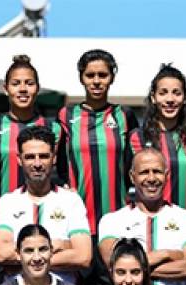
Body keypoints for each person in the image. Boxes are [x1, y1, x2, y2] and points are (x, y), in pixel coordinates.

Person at [0, 55, 65, 285]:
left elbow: (63, 173)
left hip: (44, 233)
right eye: (16, 83)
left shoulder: (54, 129)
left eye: (29, 83)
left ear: (37, 88)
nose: (23, 89)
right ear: (6, 88)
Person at [98, 148, 186, 285]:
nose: (151, 178)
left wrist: (133, 268)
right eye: (144, 172)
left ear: (167, 176)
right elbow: (114, 264)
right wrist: (167, 254)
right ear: (132, 177)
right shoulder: (111, 221)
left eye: (157, 172)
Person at [0, 126, 92, 285]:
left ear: (54, 158)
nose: (37, 163)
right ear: (19, 159)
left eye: (43, 156)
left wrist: (24, 256)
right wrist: (60, 245)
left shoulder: (71, 200)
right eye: (30, 157)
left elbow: (83, 256)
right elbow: (2, 253)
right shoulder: (7, 202)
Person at [58, 49, 138, 233]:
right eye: (90, 75)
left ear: (112, 78)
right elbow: (59, 163)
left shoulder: (125, 115)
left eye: (102, 75)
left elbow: (134, 163)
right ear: (81, 78)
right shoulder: (66, 116)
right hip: (76, 220)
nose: (96, 81)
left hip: (118, 219)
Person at [127, 64, 186, 212]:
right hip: (146, 224)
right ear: (153, 97)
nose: (170, 99)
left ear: (185, 98)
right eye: (163, 93)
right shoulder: (136, 137)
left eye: (176, 93)